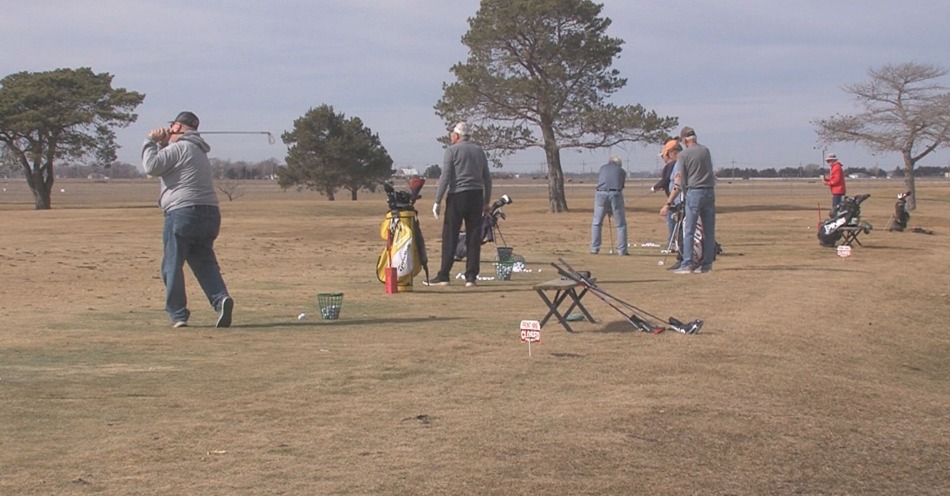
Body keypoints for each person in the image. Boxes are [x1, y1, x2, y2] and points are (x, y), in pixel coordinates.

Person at [142, 111, 234, 328]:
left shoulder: (179, 148)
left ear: (176, 127)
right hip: (210, 214)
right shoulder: (198, 150)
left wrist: (150, 141)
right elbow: (169, 166)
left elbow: (151, 167)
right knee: (204, 262)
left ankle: (178, 314)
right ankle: (221, 299)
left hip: (182, 213)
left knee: (172, 264)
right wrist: (164, 144)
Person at [430, 122, 492, 287]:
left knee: (450, 235)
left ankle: (444, 275)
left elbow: (445, 177)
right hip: (476, 196)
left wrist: (437, 200)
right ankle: (471, 276)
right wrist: (486, 201)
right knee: (474, 236)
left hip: (457, 196)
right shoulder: (479, 151)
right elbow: (487, 178)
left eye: (452, 134)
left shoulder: (451, 151)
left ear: (457, 135)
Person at [672, 126, 716, 274]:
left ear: (684, 140)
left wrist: (685, 193)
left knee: (689, 230)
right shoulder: (705, 150)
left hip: (694, 191)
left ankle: (687, 263)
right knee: (708, 231)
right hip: (709, 191)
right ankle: (707, 264)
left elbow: (683, 179)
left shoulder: (683, 154)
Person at [590, 156, 629, 255]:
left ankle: (594, 248)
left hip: (600, 193)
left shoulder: (602, 168)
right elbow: (621, 186)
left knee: (597, 222)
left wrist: (607, 208)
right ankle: (622, 250)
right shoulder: (622, 171)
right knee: (621, 224)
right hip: (615, 193)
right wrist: (611, 209)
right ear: (618, 164)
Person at [653, 139, 682, 245]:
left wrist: (655, 188)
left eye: (664, 156)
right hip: (674, 199)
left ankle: (673, 243)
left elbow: (669, 181)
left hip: (677, 200)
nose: (663, 158)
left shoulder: (674, 164)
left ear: (671, 153)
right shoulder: (675, 164)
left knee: (674, 221)